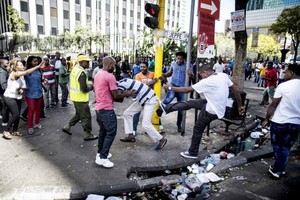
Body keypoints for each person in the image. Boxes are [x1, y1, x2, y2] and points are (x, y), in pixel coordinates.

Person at [157, 64, 244, 159]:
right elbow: (235, 90)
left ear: (205, 73)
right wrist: (240, 106)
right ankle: (166, 109)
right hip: (215, 105)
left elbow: (186, 90)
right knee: (189, 103)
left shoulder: (207, 81)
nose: (201, 77)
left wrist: (169, 88)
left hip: (211, 111)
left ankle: (193, 152)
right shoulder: (222, 75)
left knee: (197, 129)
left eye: (201, 75)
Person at [94, 56, 135, 168]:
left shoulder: (98, 74)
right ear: (109, 65)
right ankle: (103, 157)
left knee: (103, 132)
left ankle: (100, 153)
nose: (115, 67)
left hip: (99, 109)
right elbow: (116, 94)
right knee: (111, 133)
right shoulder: (109, 76)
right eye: (113, 64)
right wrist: (128, 94)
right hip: (107, 110)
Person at [262, 63, 300, 179]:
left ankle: (277, 170)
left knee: (278, 146)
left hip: (280, 122)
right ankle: (281, 168)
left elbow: (273, 104)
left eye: (286, 71)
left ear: (292, 73)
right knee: (286, 147)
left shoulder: (284, 86)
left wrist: (267, 119)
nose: (284, 73)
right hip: (296, 123)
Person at [118, 78, 167, 151]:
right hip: (143, 100)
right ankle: (130, 135)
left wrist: (126, 94)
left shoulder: (121, 84)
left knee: (145, 124)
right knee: (127, 113)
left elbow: (118, 95)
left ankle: (161, 139)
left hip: (150, 100)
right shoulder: (123, 81)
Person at [2, 60, 43, 139]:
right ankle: (6, 130)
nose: (22, 66)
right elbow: (27, 72)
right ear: (15, 67)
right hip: (9, 97)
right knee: (16, 115)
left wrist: (22, 89)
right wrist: (37, 67)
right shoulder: (15, 73)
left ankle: (14, 131)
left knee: (17, 116)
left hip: (17, 97)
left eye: (22, 65)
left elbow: (24, 86)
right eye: (20, 65)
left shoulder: (21, 76)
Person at [62, 55, 97, 141]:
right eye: (87, 61)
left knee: (79, 114)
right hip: (81, 98)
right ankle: (87, 134)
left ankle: (67, 126)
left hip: (75, 97)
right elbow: (84, 89)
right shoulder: (81, 73)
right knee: (86, 116)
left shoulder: (75, 69)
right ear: (81, 62)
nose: (88, 63)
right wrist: (91, 86)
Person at [160, 51, 193, 132]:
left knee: (181, 108)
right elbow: (169, 73)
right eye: (177, 58)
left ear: (184, 59)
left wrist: (191, 74)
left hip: (182, 89)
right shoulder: (173, 64)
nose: (179, 60)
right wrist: (164, 74)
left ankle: (179, 125)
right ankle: (159, 115)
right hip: (173, 86)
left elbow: (192, 77)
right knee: (167, 101)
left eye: (181, 59)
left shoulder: (188, 65)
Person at [0, 59, 10, 126]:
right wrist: (7, 91)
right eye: (7, 63)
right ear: (2, 64)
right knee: (5, 106)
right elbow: (3, 83)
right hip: (3, 92)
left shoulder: (4, 70)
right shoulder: (2, 72)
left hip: (3, 92)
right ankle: (5, 121)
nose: (8, 64)